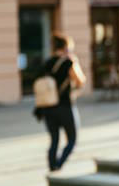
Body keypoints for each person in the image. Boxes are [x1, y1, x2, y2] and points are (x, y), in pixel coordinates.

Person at [33, 33, 87, 172]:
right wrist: (75, 62)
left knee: (54, 139)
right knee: (72, 139)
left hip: (47, 107)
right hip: (64, 106)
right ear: (65, 48)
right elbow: (81, 80)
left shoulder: (47, 63)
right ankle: (59, 163)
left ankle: (52, 165)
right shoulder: (68, 62)